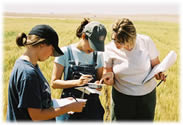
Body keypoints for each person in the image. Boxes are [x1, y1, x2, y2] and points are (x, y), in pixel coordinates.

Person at [6, 24, 86, 121]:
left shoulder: (30, 66)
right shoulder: (28, 73)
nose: (52, 55)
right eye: (52, 50)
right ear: (42, 44)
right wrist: (69, 107)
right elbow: (36, 116)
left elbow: (36, 103)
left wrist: (62, 102)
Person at [102, 18, 166, 121]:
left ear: (131, 38)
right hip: (122, 98)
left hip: (147, 98)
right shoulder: (109, 49)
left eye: (119, 41)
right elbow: (107, 73)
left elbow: (156, 65)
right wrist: (108, 79)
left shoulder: (146, 42)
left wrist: (159, 73)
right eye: (114, 39)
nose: (115, 44)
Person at [51, 19, 107, 121]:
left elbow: (99, 80)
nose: (94, 50)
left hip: (92, 110)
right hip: (69, 107)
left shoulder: (98, 55)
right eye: (92, 45)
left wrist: (99, 85)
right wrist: (77, 82)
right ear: (84, 36)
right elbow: (54, 83)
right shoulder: (65, 53)